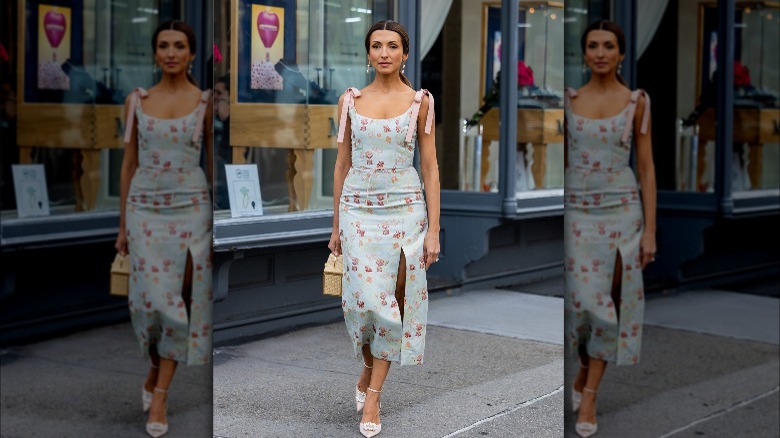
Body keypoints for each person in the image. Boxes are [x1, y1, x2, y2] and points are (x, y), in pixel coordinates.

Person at [328, 20, 440, 438]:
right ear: (368, 53)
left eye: (393, 46)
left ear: (405, 54)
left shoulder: (420, 102)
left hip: (406, 210)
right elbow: (341, 164)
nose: (385, 53)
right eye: (376, 46)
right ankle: (366, 368)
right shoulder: (350, 101)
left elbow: (429, 166)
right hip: (357, 210)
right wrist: (336, 224)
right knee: (362, 302)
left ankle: (372, 395)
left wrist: (434, 230)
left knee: (393, 303)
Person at [114, 20, 213, 438]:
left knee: (175, 303)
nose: (171, 52)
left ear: (191, 54)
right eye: (163, 46)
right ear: (155, 53)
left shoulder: (205, 102)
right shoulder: (136, 100)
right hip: (144, 209)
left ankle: (161, 394)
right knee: (148, 303)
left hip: (191, 207)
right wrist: (121, 225)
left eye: (179, 46)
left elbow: (211, 162)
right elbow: (128, 163)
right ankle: (154, 370)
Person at [563, 20, 657, 437]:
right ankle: (584, 371)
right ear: (584, 54)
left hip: (623, 212)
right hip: (578, 213)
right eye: (593, 46)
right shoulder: (568, 100)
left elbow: (648, 167)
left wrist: (651, 230)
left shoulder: (637, 101)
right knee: (583, 304)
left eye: (609, 46)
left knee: (605, 305)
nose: (601, 52)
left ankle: (590, 394)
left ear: (620, 54)